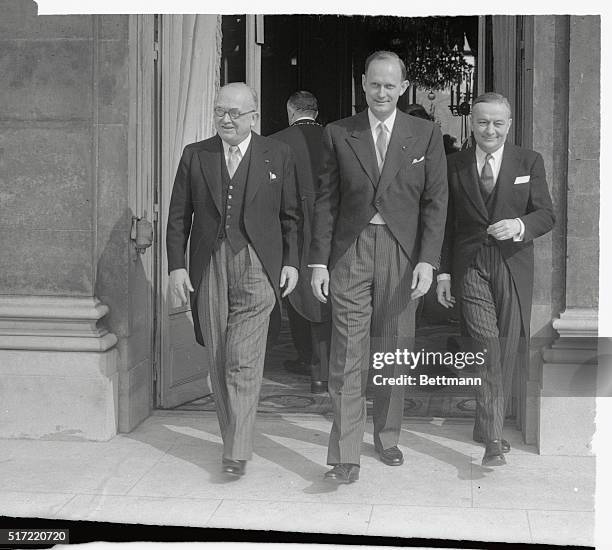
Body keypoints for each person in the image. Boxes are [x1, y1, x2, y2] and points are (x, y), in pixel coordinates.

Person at [310, 51, 448, 483]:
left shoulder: (425, 134)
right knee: (347, 353)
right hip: (351, 252)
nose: (382, 92)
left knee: (393, 349)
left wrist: (428, 260)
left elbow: (436, 203)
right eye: (375, 84)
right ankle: (345, 454)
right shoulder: (338, 132)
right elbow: (326, 202)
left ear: (403, 88)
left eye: (391, 85)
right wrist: (318, 262)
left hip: (403, 254)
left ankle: (387, 435)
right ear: (363, 84)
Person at [166, 82, 300, 478]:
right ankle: (233, 438)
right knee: (220, 355)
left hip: (258, 265)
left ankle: (237, 449)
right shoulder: (196, 155)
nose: (226, 119)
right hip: (209, 264)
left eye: (235, 113)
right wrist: (177, 266)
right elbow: (178, 217)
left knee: (242, 358)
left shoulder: (279, 154)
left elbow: (291, 215)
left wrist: (291, 262)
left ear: (253, 116)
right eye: (220, 111)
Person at [436, 92, 554, 467]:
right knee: (488, 345)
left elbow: (547, 215)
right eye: (483, 122)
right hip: (470, 264)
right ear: (472, 122)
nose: (490, 130)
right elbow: (444, 224)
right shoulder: (453, 165)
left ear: (509, 124)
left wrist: (519, 225)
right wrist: (443, 272)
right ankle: (493, 439)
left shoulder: (528, 161)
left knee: (505, 347)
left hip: (512, 263)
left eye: (497, 123)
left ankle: (485, 423)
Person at [269, 91, 331, 394]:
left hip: (292, 227)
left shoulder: (276, 142)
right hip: (331, 229)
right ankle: (326, 364)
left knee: (295, 288)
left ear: (291, 111)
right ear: (316, 112)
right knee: (328, 293)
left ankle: (306, 356)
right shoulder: (336, 137)